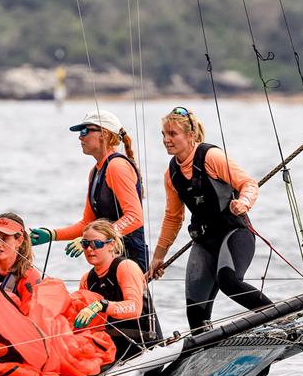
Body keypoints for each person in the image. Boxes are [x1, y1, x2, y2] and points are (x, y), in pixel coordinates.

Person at [146, 106, 272, 333]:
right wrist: (158, 257)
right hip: (205, 241)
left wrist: (243, 203)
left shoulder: (211, 157)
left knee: (229, 282)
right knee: (194, 311)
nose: (166, 140)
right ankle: (207, 353)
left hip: (235, 233)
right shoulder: (171, 173)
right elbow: (173, 217)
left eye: (172, 134)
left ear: (191, 135)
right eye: (163, 134)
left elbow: (248, 184)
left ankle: (281, 320)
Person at [30, 110, 149, 272]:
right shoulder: (95, 172)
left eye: (85, 131)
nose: (80, 136)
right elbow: (87, 223)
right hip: (107, 259)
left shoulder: (117, 167)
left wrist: (97, 238)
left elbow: (135, 217)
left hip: (129, 261)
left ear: (104, 134)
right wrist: (52, 234)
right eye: (80, 132)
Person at [73, 219, 160, 358]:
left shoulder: (126, 267)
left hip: (142, 345)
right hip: (108, 347)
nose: (90, 249)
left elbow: (135, 308)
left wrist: (102, 306)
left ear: (111, 245)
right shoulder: (86, 280)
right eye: (85, 244)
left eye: (97, 244)